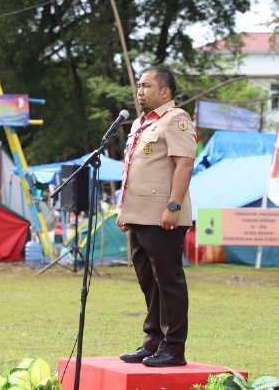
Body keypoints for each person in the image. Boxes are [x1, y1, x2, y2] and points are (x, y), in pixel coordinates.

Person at [116, 66, 197, 367]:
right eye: (138, 85)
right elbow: (133, 172)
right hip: (139, 215)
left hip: (163, 215)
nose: (140, 91)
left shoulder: (177, 119)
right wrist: (125, 210)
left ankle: (174, 347)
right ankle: (153, 340)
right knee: (148, 280)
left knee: (168, 280)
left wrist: (174, 207)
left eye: (146, 86)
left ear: (165, 91)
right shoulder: (141, 123)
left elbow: (184, 165)